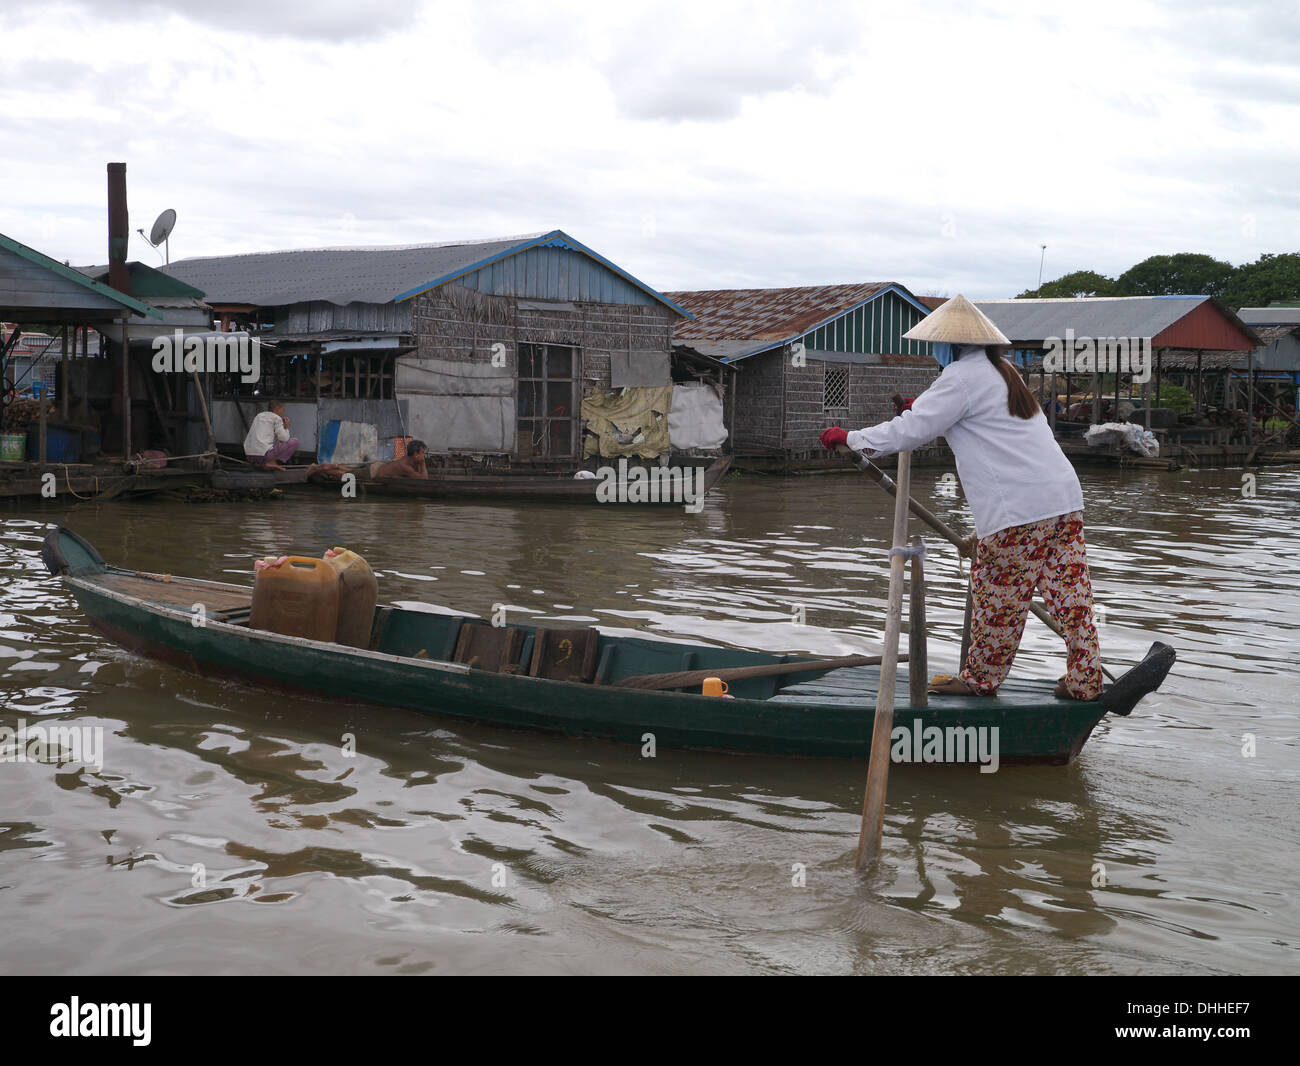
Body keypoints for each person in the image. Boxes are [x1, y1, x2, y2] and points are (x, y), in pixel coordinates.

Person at [819, 294, 1102, 701]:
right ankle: (1085, 680)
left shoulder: (960, 377)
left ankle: (979, 680)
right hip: (1062, 501)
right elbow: (961, 415)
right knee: (1069, 592)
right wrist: (925, 407)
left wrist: (852, 438)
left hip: (1017, 512)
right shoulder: (1004, 372)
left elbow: (911, 432)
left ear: (951, 345)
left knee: (997, 596)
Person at [243, 401, 299, 469]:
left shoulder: (259, 416)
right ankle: (271, 462)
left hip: (249, 455)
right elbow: (284, 438)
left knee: (275, 443)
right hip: (264, 456)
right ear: (277, 409)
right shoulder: (276, 418)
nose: (282, 413)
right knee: (295, 442)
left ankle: (266, 462)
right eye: (282, 410)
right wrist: (286, 428)